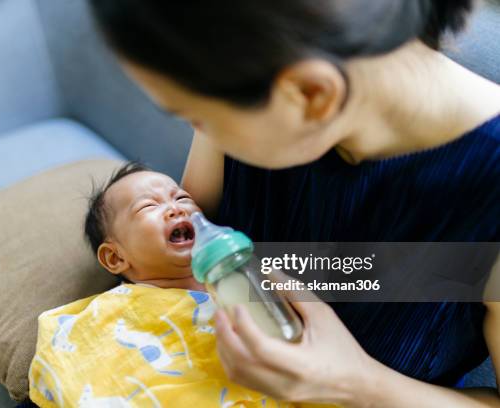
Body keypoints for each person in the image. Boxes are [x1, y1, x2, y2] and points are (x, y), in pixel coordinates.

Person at [89, 0, 500, 406]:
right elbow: (175, 260)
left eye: (198, 115)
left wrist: (359, 385)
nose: (199, 130)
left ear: (313, 95)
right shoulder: (254, 59)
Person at [28, 162, 333, 407]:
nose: (177, 208)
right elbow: (85, 364)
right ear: (115, 257)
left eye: (182, 198)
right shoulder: (113, 312)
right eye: (148, 206)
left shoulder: (246, 282)